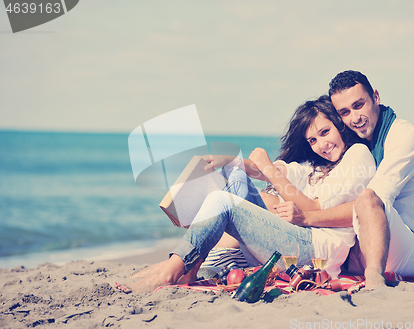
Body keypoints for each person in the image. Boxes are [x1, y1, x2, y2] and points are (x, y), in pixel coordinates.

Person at [116, 95, 376, 293]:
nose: (321, 145)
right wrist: (230, 160)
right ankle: (188, 262)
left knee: (222, 201)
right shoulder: (315, 166)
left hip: (316, 252)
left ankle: (173, 270)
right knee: (235, 174)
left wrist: (267, 168)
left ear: (339, 126)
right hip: (294, 241)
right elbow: (269, 171)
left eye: (324, 132)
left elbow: (314, 208)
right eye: (312, 141)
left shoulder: (357, 156)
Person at [285, 71, 414, 290]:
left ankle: (373, 277)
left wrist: (306, 217)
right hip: (362, 242)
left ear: (376, 97)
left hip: (408, 251)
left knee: (368, 198)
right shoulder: (358, 142)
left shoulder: (404, 138)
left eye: (359, 105)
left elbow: (371, 203)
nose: (354, 118)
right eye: (344, 112)